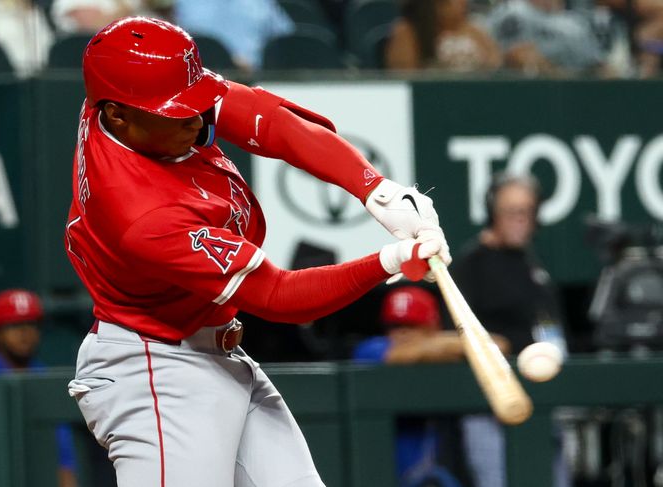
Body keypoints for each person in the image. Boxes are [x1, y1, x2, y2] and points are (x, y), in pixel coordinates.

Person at [63, 16, 451, 487]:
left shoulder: (120, 97)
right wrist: (389, 261)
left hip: (210, 348)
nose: (196, 118)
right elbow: (277, 295)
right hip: (155, 371)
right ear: (117, 115)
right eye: (177, 111)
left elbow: (272, 122)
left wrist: (376, 190)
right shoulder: (140, 214)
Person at [451, 172, 569, 487]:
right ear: (493, 212)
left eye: (527, 212)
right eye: (511, 211)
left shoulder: (531, 262)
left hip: (542, 398)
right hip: (490, 402)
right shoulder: (471, 264)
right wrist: (491, 344)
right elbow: (453, 332)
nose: (520, 220)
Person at [353, 286, 509, 487]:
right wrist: (446, 346)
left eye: (412, 326)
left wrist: (440, 347)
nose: (401, 333)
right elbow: (403, 355)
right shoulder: (371, 348)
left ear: (433, 326)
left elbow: (498, 346)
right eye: (395, 326)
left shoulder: (444, 353)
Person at [0, 289, 78, 487]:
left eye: (31, 324)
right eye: (14, 325)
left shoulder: (45, 378)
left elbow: (63, 454)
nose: (24, 333)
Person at [486, 0, 610, 77]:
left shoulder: (576, 23)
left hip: (574, 91)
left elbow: (599, 65)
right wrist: (554, 72)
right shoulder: (514, 11)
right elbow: (515, 57)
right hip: (528, 89)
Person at [174, 0, 294, 72]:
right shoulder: (182, 3)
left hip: (259, 81)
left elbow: (287, 41)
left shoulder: (262, 3)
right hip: (200, 82)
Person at [384, 0, 502, 72]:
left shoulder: (475, 31)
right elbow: (404, 75)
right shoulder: (407, 32)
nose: (461, 3)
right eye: (443, 3)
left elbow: (494, 67)